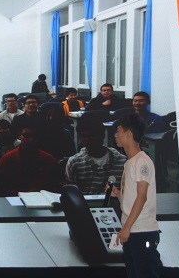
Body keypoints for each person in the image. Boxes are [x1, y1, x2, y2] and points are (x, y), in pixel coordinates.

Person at [112, 113, 161, 278]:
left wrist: (126, 227)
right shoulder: (129, 162)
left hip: (142, 231)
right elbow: (133, 197)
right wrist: (119, 195)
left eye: (118, 131)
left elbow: (142, 196)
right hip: (132, 230)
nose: (116, 135)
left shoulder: (142, 161)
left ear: (128, 134)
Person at [65, 118, 127, 194]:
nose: (87, 139)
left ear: (102, 136)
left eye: (91, 136)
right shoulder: (75, 162)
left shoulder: (122, 162)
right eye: (83, 136)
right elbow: (71, 193)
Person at [0, 123, 59, 196]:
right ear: (19, 135)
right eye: (26, 136)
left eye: (34, 136)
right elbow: (0, 187)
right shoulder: (7, 159)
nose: (31, 139)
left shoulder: (48, 159)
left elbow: (55, 185)